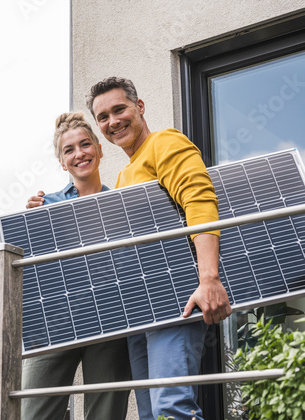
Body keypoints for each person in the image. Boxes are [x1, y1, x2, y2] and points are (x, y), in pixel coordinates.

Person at [85, 76, 233, 420]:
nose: (113, 121)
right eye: (103, 117)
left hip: (174, 298)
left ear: (139, 107)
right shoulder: (123, 177)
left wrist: (209, 278)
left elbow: (199, 200)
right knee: (152, 414)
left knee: (173, 406)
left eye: (119, 109)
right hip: (141, 307)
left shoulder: (164, 142)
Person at [21, 112, 131, 420]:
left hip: (109, 321)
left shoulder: (123, 203)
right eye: (69, 150)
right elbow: (33, 268)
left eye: (85, 145)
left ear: (99, 148)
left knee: (106, 414)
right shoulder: (44, 206)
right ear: (61, 161)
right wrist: (29, 223)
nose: (79, 153)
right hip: (55, 322)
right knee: (34, 413)